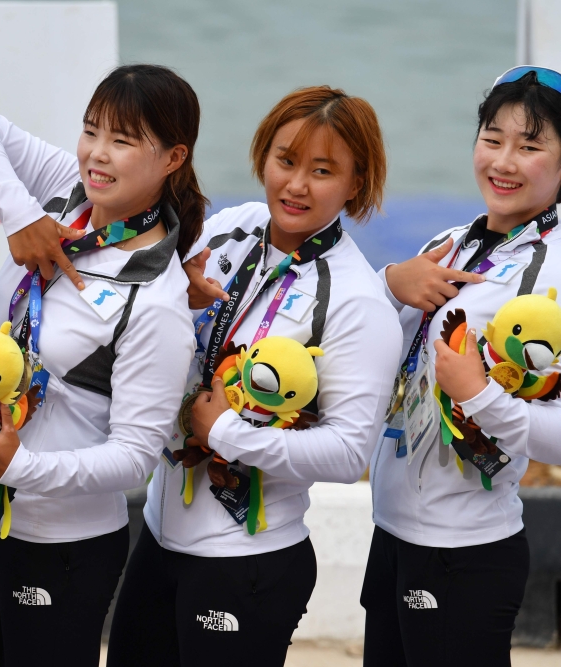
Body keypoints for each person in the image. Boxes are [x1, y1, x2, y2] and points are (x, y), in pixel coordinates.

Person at [106, 86, 403, 667]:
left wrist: (224, 434)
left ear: (356, 183)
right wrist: (176, 298)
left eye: (323, 170)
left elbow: (347, 454)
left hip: (247, 560)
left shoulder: (356, 302)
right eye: (285, 160)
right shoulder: (231, 230)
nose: (295, 184)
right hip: (159, 537)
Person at [0, 64, 200, 666]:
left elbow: (134, 457)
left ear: (173, 157)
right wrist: (19, 214)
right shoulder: (66, 196)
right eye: (91, 130)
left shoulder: (156, 298)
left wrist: (20, 465)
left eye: (123, 141)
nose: (97, 155)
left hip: (59, 545)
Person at [362, 66, 561, 667]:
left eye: (530, 146)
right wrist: (391, 284)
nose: (504, 161)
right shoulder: (451, 242)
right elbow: (366, 353)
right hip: (393, 532)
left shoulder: (554, 276)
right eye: (492, 138)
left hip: (466, 551)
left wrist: (479, 395)